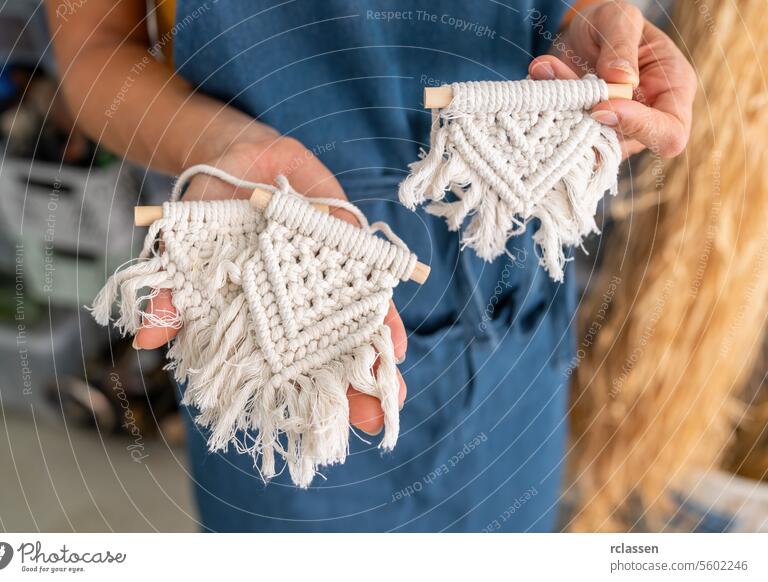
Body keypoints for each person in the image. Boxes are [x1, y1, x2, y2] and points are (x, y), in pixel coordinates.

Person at [48, 0, 695, 532]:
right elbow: (94, 46)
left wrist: (596, 32)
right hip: (285, 337)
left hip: (511, 339)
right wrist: (228, 149)